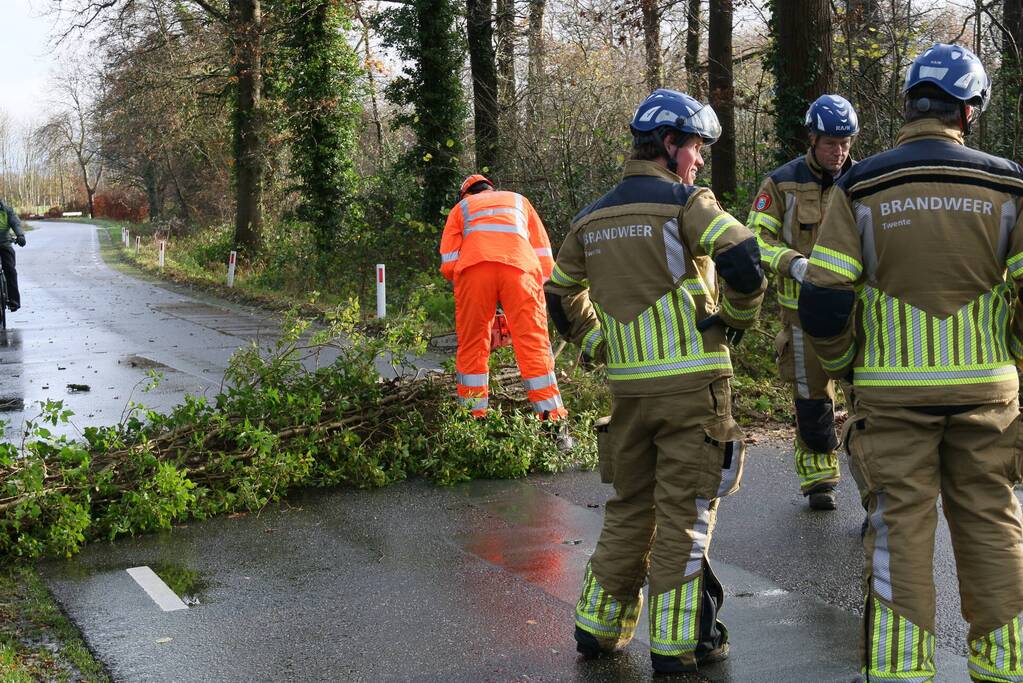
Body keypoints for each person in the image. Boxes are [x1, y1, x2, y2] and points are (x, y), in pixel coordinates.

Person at [799, 44, 1023, 682]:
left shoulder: (862, 186)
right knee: (994, 527)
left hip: (891, 401)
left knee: (900, 533)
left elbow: (822, 299)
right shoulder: (1009, 184)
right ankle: (1005, 671)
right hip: (989, 396)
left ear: (910, 103)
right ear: (969, 110)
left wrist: (843, 364)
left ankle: (902, 674)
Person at [545, 88, 766, 675]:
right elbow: (745, 259)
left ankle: (597, 630)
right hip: (694, 392)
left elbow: (559, 295)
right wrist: (736, 323)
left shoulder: (590, 218)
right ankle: (674, 646)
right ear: (670, 144)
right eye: (695, 147)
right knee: (685, 518)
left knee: (627, 508)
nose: (698, 160)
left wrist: (600, 345)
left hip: (630, 397)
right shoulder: (687, 204)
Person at [746, 94, 859, 511]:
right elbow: (756, 240)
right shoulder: (781, 183)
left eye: (846, 142)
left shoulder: (863, 180)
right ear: (811, 138)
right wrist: (792, 263)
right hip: (801, 316)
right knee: (812, 400)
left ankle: (873, 481)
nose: (840, 150)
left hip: (854, 314)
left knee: (865, 398)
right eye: (831, 142)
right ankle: (819, 479)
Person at [438, 173, 572, 449]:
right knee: (533, 346)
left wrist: (472, 291)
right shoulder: (519, 201)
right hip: (521, 270)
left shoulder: (460, 209)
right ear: (490, 188)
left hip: (475, 272)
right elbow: (543, 252)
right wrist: (537, 286)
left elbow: (449, 261)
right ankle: (554, 427)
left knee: (473, 345)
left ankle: (473, 424)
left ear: (465, 194)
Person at [0, 199, 25, 311]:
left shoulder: (6, 210)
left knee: (10, 270)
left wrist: (20, 235)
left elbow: (15, 223)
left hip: (4, 244)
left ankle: (13, 300)